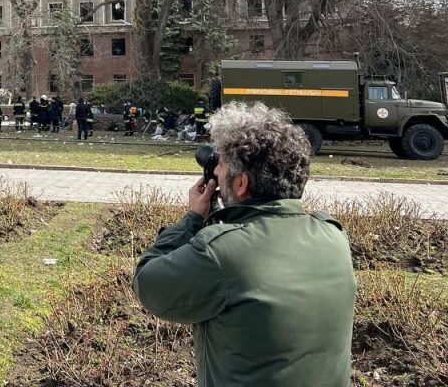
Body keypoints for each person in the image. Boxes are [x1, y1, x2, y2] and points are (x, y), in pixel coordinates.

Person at [132, 102, 356, 387]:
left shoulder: (221, 251)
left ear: (240, 184)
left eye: (222, 166)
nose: (217, 173)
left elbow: (148, 283)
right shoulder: (333, 236)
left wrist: (191, 220)